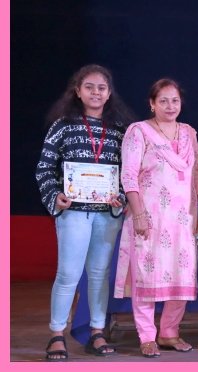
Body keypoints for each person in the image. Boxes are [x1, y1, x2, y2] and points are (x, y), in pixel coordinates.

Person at [36, 64, 134, 361]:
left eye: (101, 88)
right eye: (89, 87)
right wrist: (55, 196)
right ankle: (56, 334)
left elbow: (129, 172)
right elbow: (44, 168)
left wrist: (120, 197)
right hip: (73, 213)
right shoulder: (63, 125)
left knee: (99, 274)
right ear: (77, 91)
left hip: (107, 215)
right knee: (68, 273)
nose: (95, 92)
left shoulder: (120, 129)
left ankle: (97, 331)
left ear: (109, 93)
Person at [114, 78, 198, 358]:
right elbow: (129, 175)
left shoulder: (188, 133)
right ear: (152, 104)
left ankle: (169, 333)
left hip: (183, 220)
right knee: (146, 275)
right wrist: (139, 213)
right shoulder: (139, 131)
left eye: (175, 100)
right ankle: (146, 336)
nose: (170, 106)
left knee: (182, 275)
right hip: (149, 217)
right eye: (163, 101)